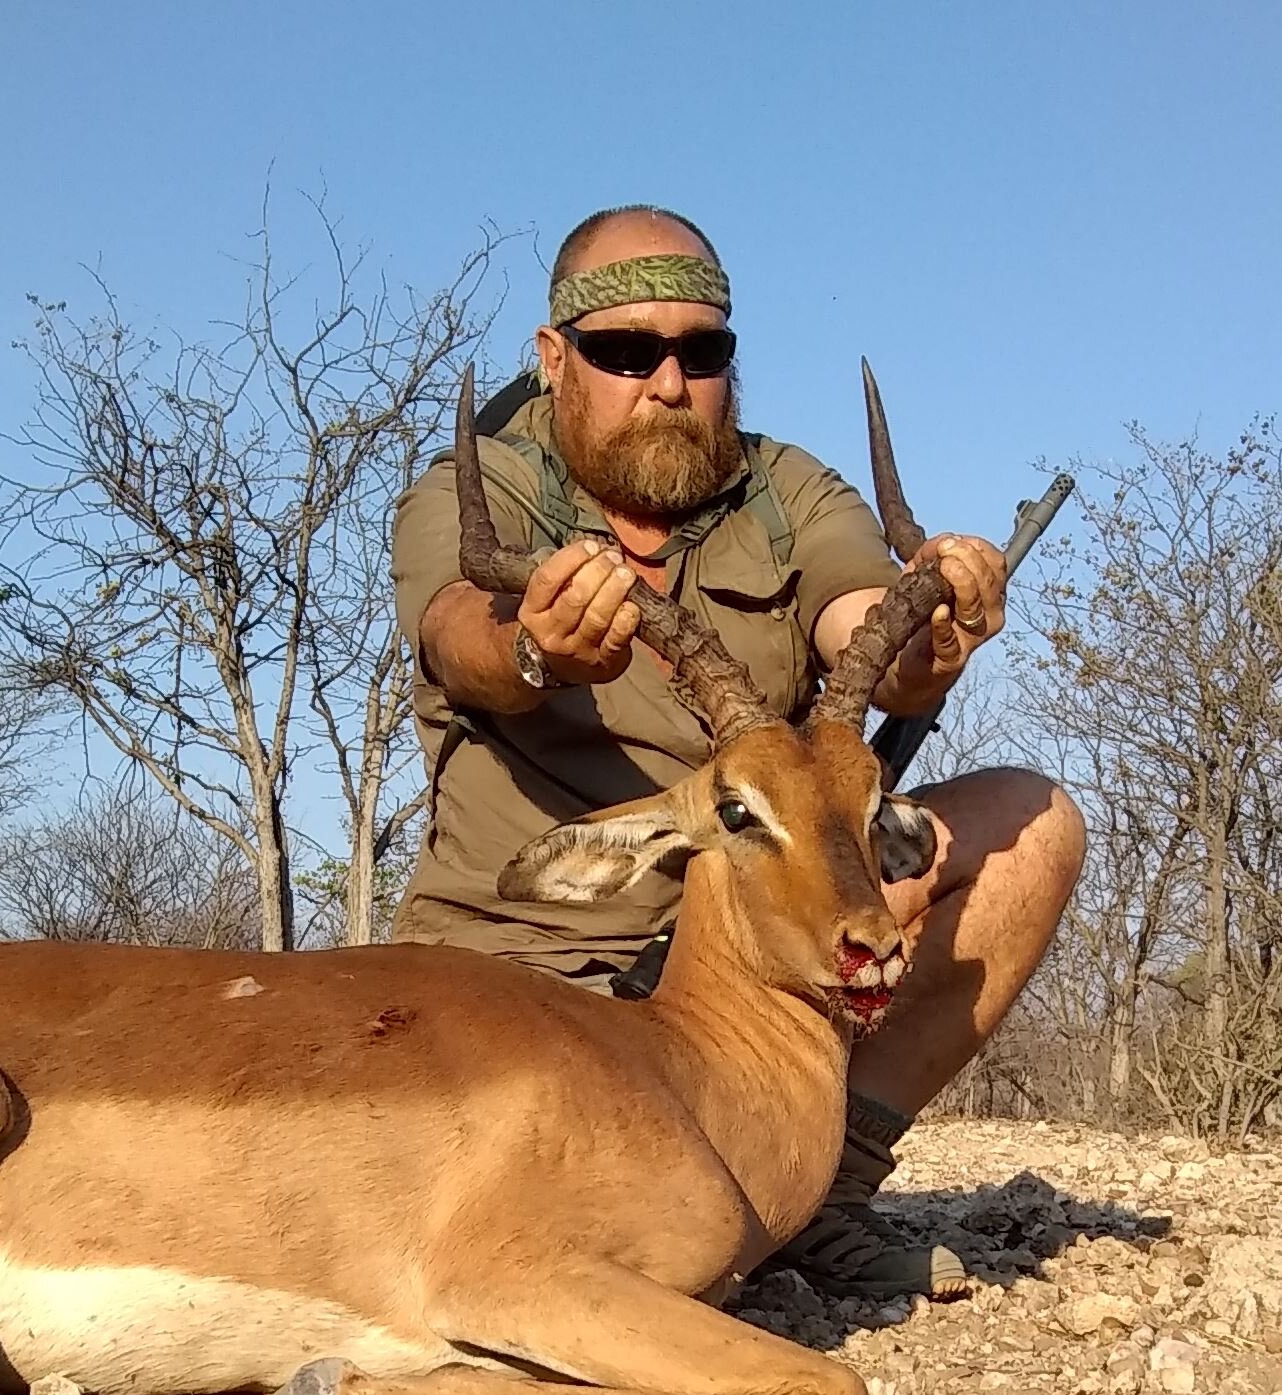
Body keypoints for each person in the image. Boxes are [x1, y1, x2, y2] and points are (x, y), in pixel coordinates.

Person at [388, 203, 1086, 1299]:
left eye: (701, 351)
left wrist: (927, 631)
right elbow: (457, 636)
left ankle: (821, 1199)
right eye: (626, 352)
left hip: (742, 949)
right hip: (529, 964)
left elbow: (862, 624)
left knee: (1028, 822)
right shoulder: (482, 488)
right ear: (554, 357)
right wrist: (533, 647)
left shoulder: (785, 486)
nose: (668, 383)